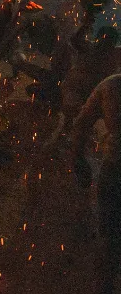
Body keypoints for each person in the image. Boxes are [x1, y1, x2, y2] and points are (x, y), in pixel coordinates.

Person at [70, 74, 121, 294]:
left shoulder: (110, 85)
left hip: (114, 170)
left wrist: (78, 158)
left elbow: (80, 124)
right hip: (114, 171)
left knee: (109, 239)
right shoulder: (109, 85)